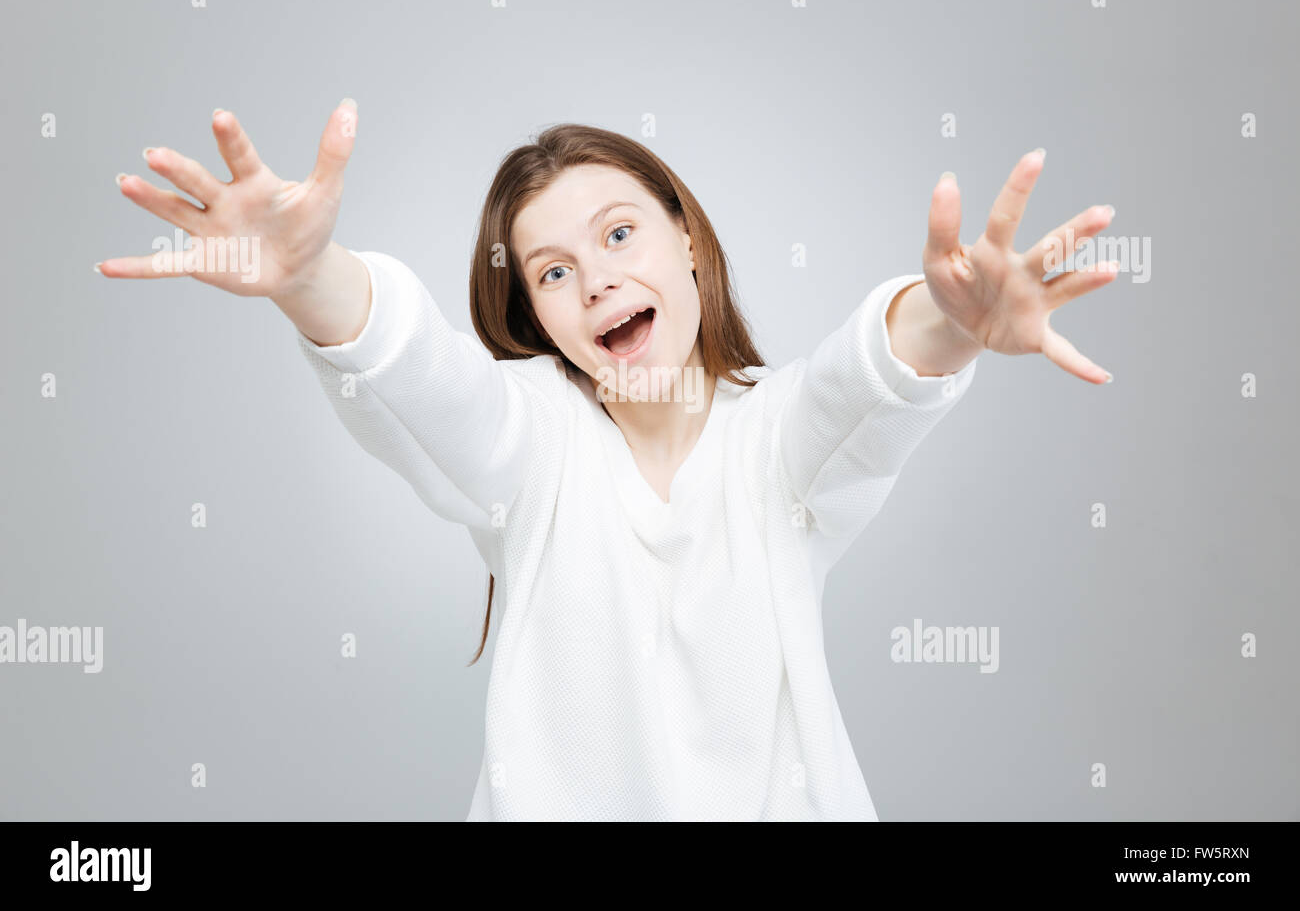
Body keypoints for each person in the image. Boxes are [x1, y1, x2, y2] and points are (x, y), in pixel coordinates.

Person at [97, 101, 1118, 820]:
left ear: (685, 241)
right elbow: (421, 379)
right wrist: (308, 277)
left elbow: (869, 379)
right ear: (534, 314)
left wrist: (949, 318)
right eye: (552, 270)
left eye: (619, 232)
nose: (595, 281)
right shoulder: (530, 438)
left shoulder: (779, 440)